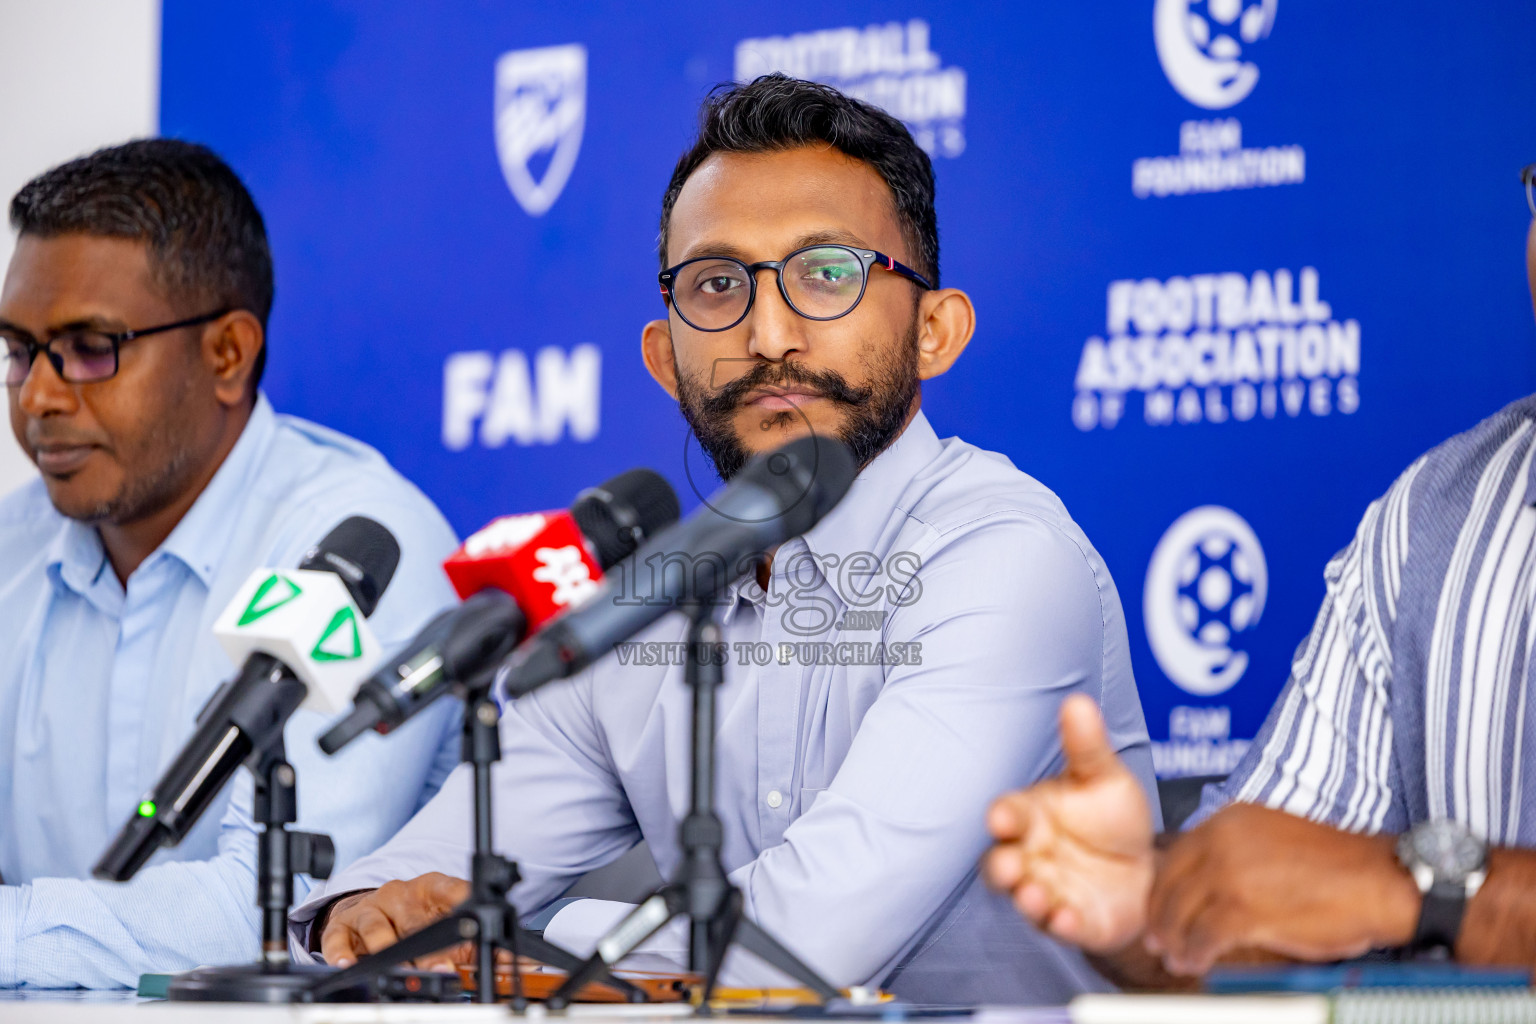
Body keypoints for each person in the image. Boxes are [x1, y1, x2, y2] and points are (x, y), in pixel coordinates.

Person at [292, 75, 1159, 1004]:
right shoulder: (640, 596)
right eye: (717, 284)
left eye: (827, 273)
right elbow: (441, 866)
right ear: (665, 358)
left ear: (935, 331)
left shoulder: (1005, 555)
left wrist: (524, 948)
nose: (769, 334)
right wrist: (369, 914)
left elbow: (818, 937)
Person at [983, 161, 1536, 985]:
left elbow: (1371, 887)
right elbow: (1261, 899)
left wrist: (1422, 889)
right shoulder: (1434, 519)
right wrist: (1145, 898)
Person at [0, 139, 463, 988]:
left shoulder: (352, 544)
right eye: (20, 351)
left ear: (227, 354)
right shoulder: (12, 548)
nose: (38, 396)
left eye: (92, 348)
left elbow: (275, 907)